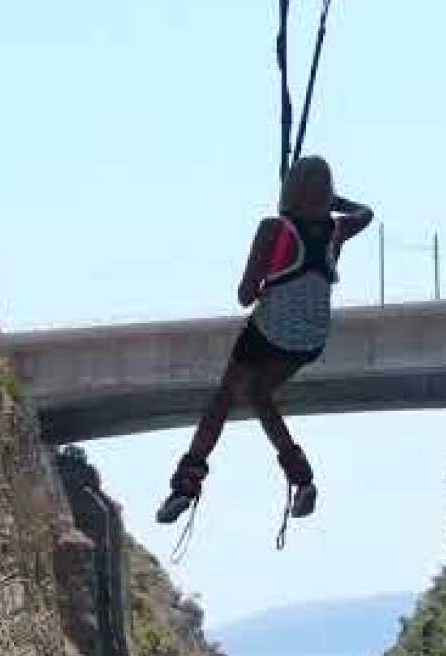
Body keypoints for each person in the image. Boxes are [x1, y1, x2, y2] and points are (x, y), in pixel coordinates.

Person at [157, 156, 374, 524]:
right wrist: (332, 201)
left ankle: (186, 484)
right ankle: (301, 480)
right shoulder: (336, 230)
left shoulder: (274, 228)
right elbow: (366, 212)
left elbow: (245, 295)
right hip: (311, 338)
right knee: (259, 395)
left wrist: (261, 282)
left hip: (270, 330)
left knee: (223, 401)